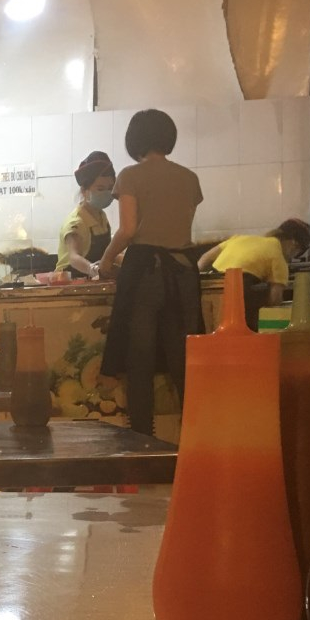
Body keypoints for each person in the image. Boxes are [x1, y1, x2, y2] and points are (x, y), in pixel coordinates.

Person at [98, 110, 205, 437]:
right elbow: (180, 228)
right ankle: (194, 441)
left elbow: (129, 230)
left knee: (140, 361)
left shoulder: (130, 176)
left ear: (135, 140)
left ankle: (142, 443)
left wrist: (106, 261)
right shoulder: (189, 178)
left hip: (146, 273)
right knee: (184, 362)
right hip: (183, 272)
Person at [197, 218, 310, 331]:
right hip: (239, 288)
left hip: (209, 285)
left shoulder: (241, 238)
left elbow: (205, 258)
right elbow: (275, 299)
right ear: (294, 243)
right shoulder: (278, 256)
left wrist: (196, 280)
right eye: (298, 253)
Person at [58, 151, 116, 278]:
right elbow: (74, 257)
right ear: (84, 191)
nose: (107, 193)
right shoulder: (76, 222)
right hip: (70, 283)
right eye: (100, 189)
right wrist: (93, 269)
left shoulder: (101, 216)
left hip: (92, 280)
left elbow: (107, 253)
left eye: (110, 188)